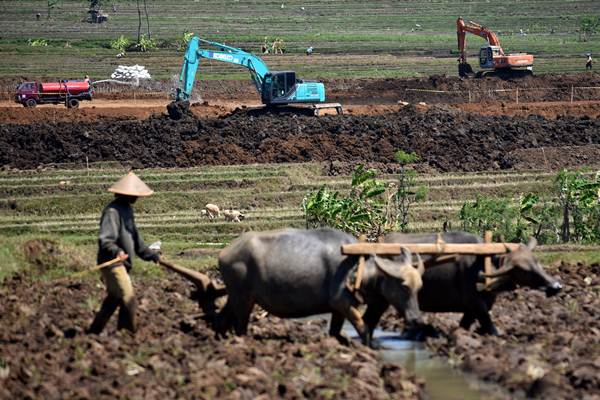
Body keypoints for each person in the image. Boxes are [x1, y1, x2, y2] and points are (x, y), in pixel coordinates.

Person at [87, 172, 160, 334]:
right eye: (134, 194)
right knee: (129, 300)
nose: (136, 198)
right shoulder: (112, 212)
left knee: (113, 300)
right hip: (113, 263)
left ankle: (93, 332)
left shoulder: (127, 210)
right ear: (125, 194)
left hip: (122, 263)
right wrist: (117, 251)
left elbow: (136, 239)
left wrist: (151, 255)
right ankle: (127, 335)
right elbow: (106, 239)